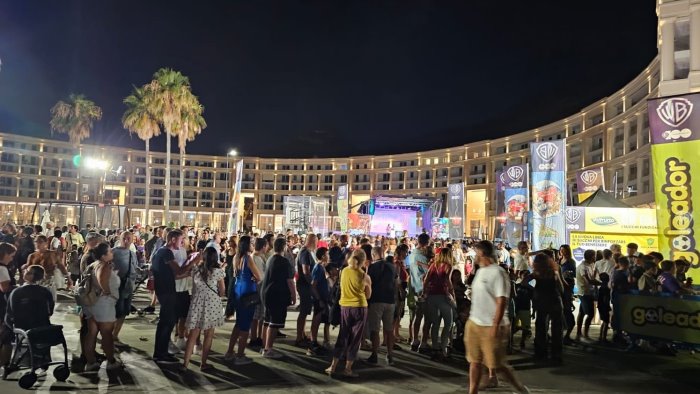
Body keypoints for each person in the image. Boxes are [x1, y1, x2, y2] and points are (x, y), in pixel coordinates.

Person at [466, 240, 528, 394]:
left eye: (476, 254)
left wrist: (496, 325)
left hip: (492, 325)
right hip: (475, 323)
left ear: (482, 253)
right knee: (474, 361)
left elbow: (502, 301)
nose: (475, 257)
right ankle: (472, 391)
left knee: (497, 365)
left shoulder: (498, 272)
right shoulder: (480, 271)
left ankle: (520, 389)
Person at [151, 229, 198, 363]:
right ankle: (160, 354)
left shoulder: (163, 251)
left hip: (166, 290)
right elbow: (179, 271)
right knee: (166, 322)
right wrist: (195, 261)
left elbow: (176, 274)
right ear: (172, 240)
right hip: (166, 292)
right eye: (180, 239)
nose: (182, 242)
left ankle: (163, 351)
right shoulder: (166, 252)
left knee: (169, 321)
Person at [325, 249, 372, 378]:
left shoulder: (343, 271)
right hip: (359, 308)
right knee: (355, 339)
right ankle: (348, 368)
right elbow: (368, 295)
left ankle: (332, 366)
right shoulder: (364, 276)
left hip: (345, 307)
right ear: (363, 261)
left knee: (343, 336)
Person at [182, 247, 225, 371]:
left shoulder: (196, 270)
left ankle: (185, 364)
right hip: (212, 304)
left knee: (193, 335)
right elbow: (222, 292)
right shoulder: (218, 272)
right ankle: (203, 363)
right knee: (208, 335)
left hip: (197, 303)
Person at [82, 242, 123, 371]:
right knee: (107, 334)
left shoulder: (93, 265)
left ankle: (90, 362)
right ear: (104, 255)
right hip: (103, 304)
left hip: (91, 303)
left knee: (91, 333)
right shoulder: (104, 266)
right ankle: (111, 361)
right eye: (110, 251)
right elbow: (101, 279)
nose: (112, 253)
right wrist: (108, 292)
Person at [225, 236, 262, 365]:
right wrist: (254, 278)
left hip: (238, 289)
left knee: (239, 323)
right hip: (247, 291)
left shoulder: (236, 257)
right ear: (247, 245)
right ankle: (240, 355)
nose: (253, 245)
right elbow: (259, 276)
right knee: (245, 325)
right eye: (251, 243)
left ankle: (230, 352)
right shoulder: (248, 258)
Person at [261, 237, 295, 359]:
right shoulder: (283, 261)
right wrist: (293, 295)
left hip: (267, 292)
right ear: (284, 247)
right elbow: (289, 280)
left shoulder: (270, 258)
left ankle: (265, 345)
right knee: (274, 323)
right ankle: (268, 348)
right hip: (277, 294)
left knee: (267, 321)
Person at [365, 246, 398, 365]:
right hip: (390, 300)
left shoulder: (372, 267)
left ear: (373, 255)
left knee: (375, 329)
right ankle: (390, 355)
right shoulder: (392, 267)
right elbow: (396, 284)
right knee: (389, 330)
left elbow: (368, 283)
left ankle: (375, 354)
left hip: (376, 299)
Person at [530, 253, 564, 363]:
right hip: (555, 300)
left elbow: (524, 282)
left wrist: (534, 290)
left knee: (541, 327)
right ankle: (556, 355)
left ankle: (541, 353)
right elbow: (561, 287)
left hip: (542, 301)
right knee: (557, 329)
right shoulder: (554, 272)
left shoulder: (536, 273)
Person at [423, 247, 455, 360]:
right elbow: (448, 281)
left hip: (431, 295)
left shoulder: (433, 265)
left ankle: (435, 347)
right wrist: (453, 295)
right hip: (443, 296)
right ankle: (443, 347)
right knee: (448, 323)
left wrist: (424, 292)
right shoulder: (448, 266)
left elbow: (426, 280)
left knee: (435, 323)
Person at [111, 231, 139, 347]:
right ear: (120, 239)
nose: (126, 241)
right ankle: (108, 336)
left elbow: (135, 268)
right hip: (116, 286)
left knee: (123, 312)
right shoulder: (113, 252)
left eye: (129, 238)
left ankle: (115, 335)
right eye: (124, 238)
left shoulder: (133, 254)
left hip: (128, 286)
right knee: (115, 312)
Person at [24, 235, 71, 301]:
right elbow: (27, 270)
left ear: (46, 243)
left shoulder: (53, 254)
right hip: (36, 283)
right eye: (36, 242)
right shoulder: (32, 256)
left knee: (50, 300)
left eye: (40, 242)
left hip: (49, 282)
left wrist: (68, 279)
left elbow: (61, 266)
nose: (37, 244)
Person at [408, 233, 431, 352]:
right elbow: (430, 271)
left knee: (417, 317)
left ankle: (414, 340)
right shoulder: (422, 257)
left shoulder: (411, 255)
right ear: (426, 243)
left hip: (414, 288)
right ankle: (423, 342)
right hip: (424, 289)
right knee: (427, 318)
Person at [308, 247, 331, 356]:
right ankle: (312, 344)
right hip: (319, 299)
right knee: (316, 321)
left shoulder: (321, 267)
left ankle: (314, 342)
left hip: (322, 298)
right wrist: (318, 299)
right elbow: (313, 285)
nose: (329, 256)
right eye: (327, 254)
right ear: (323, 256)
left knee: (318, 320)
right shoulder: (318, 268)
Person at [295, 234, 318, 346]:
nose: (317, 244)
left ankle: (302, 335)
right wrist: (313, 284)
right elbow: (306, 271)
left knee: (305, 311)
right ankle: (299, 337)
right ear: (312, 241)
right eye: (316, 242)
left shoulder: (305, 252)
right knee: (304, 311)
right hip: (304, 285)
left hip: (304, 285)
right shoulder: (305, 253)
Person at [0, 243, 17, 375]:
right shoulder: (2, 269)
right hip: (3, 305)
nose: (11, 259)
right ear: (5, 254)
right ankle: (5, 363)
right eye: (11, 256)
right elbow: (4, 288)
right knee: (6, 335)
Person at [575, 250, 599, 341]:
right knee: (590, 314)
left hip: (590, 292)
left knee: (581, 313)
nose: (595, 257)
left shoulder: (592, 264)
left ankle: (579, 333)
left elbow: (592, 277)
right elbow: (588, 281)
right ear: (591, 256)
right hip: (585, 292)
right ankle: (585, 334)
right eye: (594, 256)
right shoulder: (582, 267)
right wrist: (601, 283)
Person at [249, 237, 268, 349]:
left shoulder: (257, 257)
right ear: (263, 247)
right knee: (257, 316)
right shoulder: (255, 258)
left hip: (259, 288)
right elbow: (260, 276)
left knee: (259, 316)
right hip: (259, 289)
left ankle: (257, 336)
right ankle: (254, 337)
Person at [513, 270, 533, 349]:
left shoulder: (531, 288)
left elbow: (533, 299)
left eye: (527, 275)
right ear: (520, 276)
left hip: (525, 308)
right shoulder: (516, 285)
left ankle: (522, 341)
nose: (526, 277)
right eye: (524, 275)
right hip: (516, 308)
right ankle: (510, 341)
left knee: (525, 327)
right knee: (513, 326)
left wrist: (534, 311)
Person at [597, 273, 611, 343]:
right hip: (604, 306)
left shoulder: (601, 287)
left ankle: (600, 336)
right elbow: (605, 299)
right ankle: (604, 338)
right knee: (606, 322)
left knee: (604, 321)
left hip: (600, 305)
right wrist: (608, 307)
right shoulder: (605, 288)